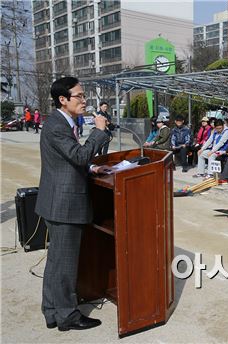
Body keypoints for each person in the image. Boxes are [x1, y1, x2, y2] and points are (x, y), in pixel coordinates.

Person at [35, 76, 109, 331]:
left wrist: (90, 167)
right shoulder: (57, 125)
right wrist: (99, 132)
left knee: (56, 262)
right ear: (63, 99)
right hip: (64, 205)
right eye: (80, 96)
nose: (85, 100)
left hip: (57, 201)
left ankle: (52, 311)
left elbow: (69, 159)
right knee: (64, 265)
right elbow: (78, 155)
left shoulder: (61, 122)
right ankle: (67, 316)